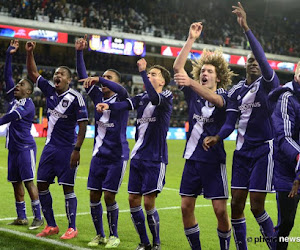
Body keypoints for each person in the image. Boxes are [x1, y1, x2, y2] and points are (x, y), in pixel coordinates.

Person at [203, 2, 280, 249]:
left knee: (257, 207)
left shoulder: (269, 84)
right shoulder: (237, 91)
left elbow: (262, 60)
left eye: (257, 60)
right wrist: (218, 137)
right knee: (236, 205)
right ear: (245, 65)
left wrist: (246, 28)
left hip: (263, 152)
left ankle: (275, 245)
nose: (254, 62)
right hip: (242, 154)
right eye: (250, 60)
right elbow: (229, 122)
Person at [96, 58, 173, 250]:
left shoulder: (166, 96)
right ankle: (144, 242)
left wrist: (141, 72)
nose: (149, 76)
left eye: (153, 74)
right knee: (132, 200)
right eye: (148, 74)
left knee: (148, 203)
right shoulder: (142, 97)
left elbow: (155, 99)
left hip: (155, 158)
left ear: (162, 81)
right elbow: (127, 104)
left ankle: (155, 244)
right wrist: (109, 106)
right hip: (138, 156)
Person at [173, 22, 235, 250]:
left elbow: (218, 102)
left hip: (213, 160)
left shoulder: (225, 95)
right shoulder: (192, 92)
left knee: (220, 211)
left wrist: (191, 82)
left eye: (210, 71)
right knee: (185, 207)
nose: (205, 73)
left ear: (218, 78)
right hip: (192, 159)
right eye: (203, 71)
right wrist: (191, 39)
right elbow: (178, 69)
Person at [25, 40, 88, 239]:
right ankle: (51, 225)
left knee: (67, 187)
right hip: (50, 148)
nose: (57, 76)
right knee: (42, 184)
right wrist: (30, 53)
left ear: (69, 79)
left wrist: (76, 149)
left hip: (67, 149)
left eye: (61, 74)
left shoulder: (76, 97)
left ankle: (72, 227)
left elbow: (84, 124)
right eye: (56, 74)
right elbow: (33, 74)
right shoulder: (50, 91)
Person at [75, 36, 130, 248]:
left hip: (117, 156)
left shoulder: (123, 98)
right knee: (94, 196)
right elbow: (83, 77)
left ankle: (114, 235)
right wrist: (79, 52)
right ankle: (100, 235)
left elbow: (117, 89)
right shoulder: (98, 97)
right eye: (103, 77)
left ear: (115, 82)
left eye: (109, 78)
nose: (104, 80)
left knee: (109, 196)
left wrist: (99, 78)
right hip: (98, 155)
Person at [1, 40, 43, 230]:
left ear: (28, 91)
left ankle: (38, 217)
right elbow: (6, 77)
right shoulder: (14, 100)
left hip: (26, 148)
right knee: (16, 183)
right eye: (17, 84)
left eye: (21, 85)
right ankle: (21, 217)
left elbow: (10, 117)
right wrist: (9, 55)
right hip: (13, 149)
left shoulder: (27, 105)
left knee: (28, 182)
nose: (16, 86)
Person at [269, 61, 300, 250]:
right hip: (287, 170)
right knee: (287, 224)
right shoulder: (287, 98)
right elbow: (283, 136)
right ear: (297, 73)